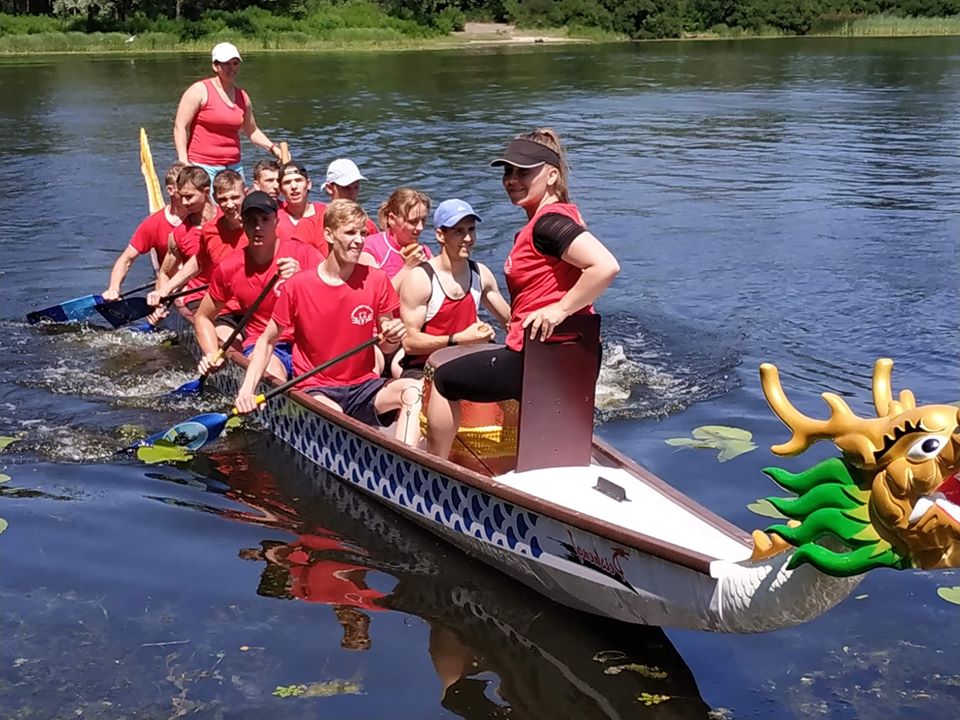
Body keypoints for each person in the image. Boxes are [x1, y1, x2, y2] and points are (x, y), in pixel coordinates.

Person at [425, 129, 620, 459]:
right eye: (508, 172)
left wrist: (559, 309)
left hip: (537, 358)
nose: (512, 180)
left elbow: (605, 266)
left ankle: (434, 470)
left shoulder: (548, 223)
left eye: (523, 171)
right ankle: (545, 463)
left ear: (551, 174)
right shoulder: (563, 215)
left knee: (445, 381)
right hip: (569, 355)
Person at [234, 200, 420, 446]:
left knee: (415, 392)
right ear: (329, 235)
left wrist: (393, 337)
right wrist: (247, 390)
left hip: (364, 386)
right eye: (350, 232)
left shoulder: (377, 280)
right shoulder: (298, 285)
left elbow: (386, 347)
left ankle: (405, 462)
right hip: (316, 388)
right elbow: (267, 341)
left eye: (362, 233)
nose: (359, 240)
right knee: (336, 417)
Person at [195, 191, 322, 382]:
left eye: (265, 219)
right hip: (263, 345)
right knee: (270, 375)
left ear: (276, 221)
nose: (257, 227)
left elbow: (333, 301)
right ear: (242, 223)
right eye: (251, 220)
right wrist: (212, 354)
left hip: (308, 342)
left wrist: (302, 280)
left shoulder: (305, 255)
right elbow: (203, 317)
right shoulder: (230, 268)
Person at [399, 199, 510, 376]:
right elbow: (410, 343)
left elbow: (510, 323)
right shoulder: (421, 278)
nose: (468, 238)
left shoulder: (481, 274)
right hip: (426, 367)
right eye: (458, 231)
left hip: (468, 362)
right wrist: (459, 340)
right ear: (440, 235)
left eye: (471, 230)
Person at [173, 41, 283, 187]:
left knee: (237, 207)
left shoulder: (242, 97)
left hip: (234, 166)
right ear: (215, 66)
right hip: (202, 166)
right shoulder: (199, 90)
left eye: (235, 63)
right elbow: (180, 126)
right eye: (226, 64)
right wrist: (184, 161)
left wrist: (274, 149)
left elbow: (252, 130)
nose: (231, 68)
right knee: (210, 209)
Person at [149, 169, 247, 311]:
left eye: (188, 196)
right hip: (205, 298)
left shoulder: (256, 224)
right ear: (216, 197)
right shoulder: (187, 233)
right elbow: (190, 265)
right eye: (224, 200)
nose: (183, 202)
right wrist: (163, 293)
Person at [101, 161, 185, 300]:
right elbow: (126, 260)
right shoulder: (153, 224)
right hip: (170, 282)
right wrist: (113, 289)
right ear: (170, 190)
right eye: (183, 190)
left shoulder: (202, 218)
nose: (188, 194)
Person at [152, 166, 217, 314]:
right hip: (197, 297)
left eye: (189, 196)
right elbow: (165, 274)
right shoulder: (178, 234)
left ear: (206, 192)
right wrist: (161, 304)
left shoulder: (227, 220)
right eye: (182, 196)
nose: (184, 202)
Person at [289, 158, 377, 249]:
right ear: (329, 188)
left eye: (356, 187)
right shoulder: (310, 225)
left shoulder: (368, 225)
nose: (352, 193)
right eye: (346, 188)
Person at [359, 187, 433, 292]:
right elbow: (377, 297)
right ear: (392, 220)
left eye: (423, 220)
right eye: (413, 221)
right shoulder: (371, 247)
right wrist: (408, 268)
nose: (420, 227)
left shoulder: (424, 252)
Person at [276, 162, 324, 243]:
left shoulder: (324, 214)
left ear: (308, 184)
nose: (294, 186)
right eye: (287, 182)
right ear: (280, 189)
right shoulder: (275, 220)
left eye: (298, 180)